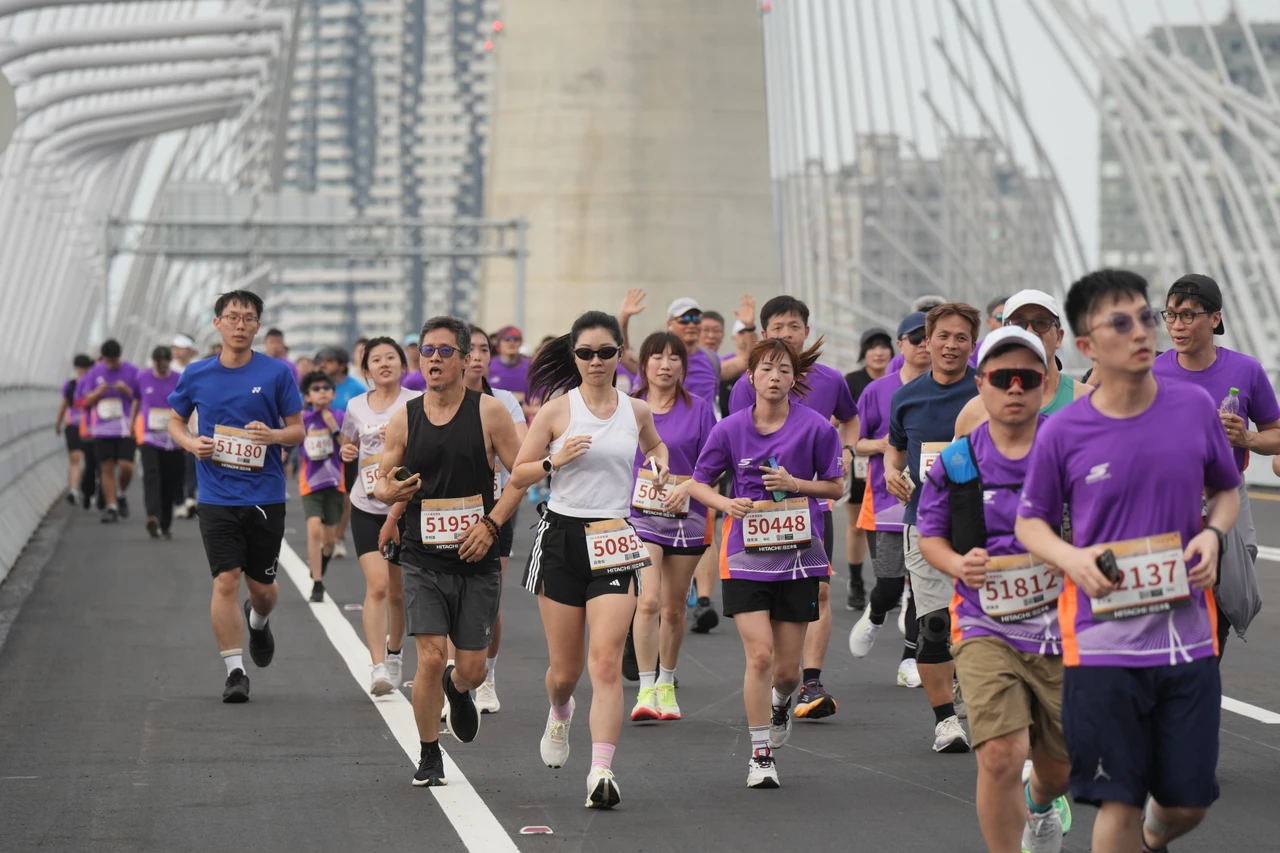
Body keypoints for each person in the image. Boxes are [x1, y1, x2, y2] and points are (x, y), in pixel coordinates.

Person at [1015, 269, 1238, 853]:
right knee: (1119, 797)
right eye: (1120, 323)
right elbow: (1030, 522)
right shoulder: (1064, 430)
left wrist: (1213, 535)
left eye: (1144, 317)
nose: (1141, 331)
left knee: (1188, 803)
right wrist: (1071, 557)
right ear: (1086, 345)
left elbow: (1227, 488)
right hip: (1102, 641)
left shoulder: (1192, 407)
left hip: (1188, 637)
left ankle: (1152, 837)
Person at [916, 327, 1072, 853]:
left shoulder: (1071, 451)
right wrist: (958, 563)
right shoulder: (957, 461)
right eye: (1002, 378)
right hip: (985, 624)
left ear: (1044, 383)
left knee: (1060, 767)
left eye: (1026, 377)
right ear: (980, 383)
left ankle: (1041, 802)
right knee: (1001, 753)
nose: (1015, 388)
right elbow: (930, 536)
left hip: (1065, 629)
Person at [510, 310, 670, 809]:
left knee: (605, 661)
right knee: (566, 672)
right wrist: (553, 460)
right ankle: (560, 711)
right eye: (585, 353)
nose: (596, 361)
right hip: (561, 537)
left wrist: (659, 464)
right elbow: (518, 474)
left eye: (605, 352)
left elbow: (656, 445)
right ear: (574, 356)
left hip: (614, 537)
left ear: (620, 353)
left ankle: (601, 771)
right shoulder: (557, 411)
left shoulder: (636, 410)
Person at [372, 316, 527, 788]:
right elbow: (382, 481)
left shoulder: (490, 413)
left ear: (464, 359)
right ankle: (428, 753)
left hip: (477, 556)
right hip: (422, 557)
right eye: (427, 351)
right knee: (432, 656)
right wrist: (389, 494)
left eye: (444, 351)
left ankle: (458, 690)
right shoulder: (405, 417)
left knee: (472, 669)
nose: (434, 359)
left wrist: (491, 525)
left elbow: (519, 477)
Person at [689, 336, 844, 788]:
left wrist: (796, 484)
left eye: (784, 370)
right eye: (766, 369)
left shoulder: (817, 427)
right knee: (759, 654)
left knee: (787, 671)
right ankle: (760, 755)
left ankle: (780, 704)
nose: (775, 377)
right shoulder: (729, 429)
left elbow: (835, 487)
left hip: (799, 556)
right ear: (751, 376)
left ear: (794, 379)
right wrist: (726, 503)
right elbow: (698, 483)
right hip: (746, 555)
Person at [167, 290, 304, 702]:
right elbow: (175, 422)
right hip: (216, 495)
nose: (240, 325)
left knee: (262, 588)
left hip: (264, 494)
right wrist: (191, 444)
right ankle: (235, 672)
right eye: (232, 317)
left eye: (248, 318)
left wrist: (273, 435)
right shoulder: (196, 374)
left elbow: (297, 430)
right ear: (217, 323)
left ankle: (258, 622)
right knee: (225, 580)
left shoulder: (276, 373)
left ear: (257, 326)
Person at [727, 295, 859, 721]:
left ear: (807, 331)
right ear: (765, 335)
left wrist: (848, 450)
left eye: (795, 326)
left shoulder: (831, 380)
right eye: (779, 328)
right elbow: (737, 441)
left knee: (820, 590)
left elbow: (850, 418)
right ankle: (773, 674)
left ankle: (811, 679)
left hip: (812, 505)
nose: (788, 334)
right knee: (765, 619)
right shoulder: (747, 384)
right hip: (759, 513)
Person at [861, 302, 981, 754]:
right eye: (943, 336)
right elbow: (894, 451)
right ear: (926, 342)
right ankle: (945, 721)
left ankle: (970, 686)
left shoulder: (986, 392)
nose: (951, 345)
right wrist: (893, 473)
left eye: (961, 338)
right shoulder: (906, 396)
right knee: (934, 623)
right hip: (925, 523)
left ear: (973, 345)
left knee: (972, 624)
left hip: (982, 527)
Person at [1152, 273, 1279, 653]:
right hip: (1169, 495)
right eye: (1171, 315)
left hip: (1227, 491)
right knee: (1170, 591)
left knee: (1231, 589)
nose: (1177, 325)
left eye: (1188, 316)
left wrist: (1247, 439)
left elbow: (1276, 435)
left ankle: (1209, 656)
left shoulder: (1246, 370)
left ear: (1215, 319)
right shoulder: (1152, 372)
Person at [627, 331, 718, 723]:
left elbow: (713, 463)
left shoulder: (699, 409)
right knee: (648, 600)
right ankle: (646, 688)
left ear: (684, 366)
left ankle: (666, 681)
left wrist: (688, 486)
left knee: (674, 608)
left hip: (687, 515)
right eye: (657, 357)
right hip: (639, 515)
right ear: (643, 363)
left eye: (674, 358)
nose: (665, 365)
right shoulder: (627, 406)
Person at [850, 313, 930, 689]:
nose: (925, 344)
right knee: (890, 585)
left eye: (931, 337)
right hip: (888, 502)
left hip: (934, 502)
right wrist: (884, 446)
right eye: (917, 338)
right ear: (901, 345)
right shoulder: (878, 391)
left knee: (923, 586)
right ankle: (876, 612)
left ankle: (909, 658)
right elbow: (856, 441)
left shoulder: (956, 388)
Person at [459, 325, 530, 713]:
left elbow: (519, 455)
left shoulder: (503, 402)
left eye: (484, 349)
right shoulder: (439, 398)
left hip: (498, 508)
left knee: (489, 598)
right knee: (452, 595)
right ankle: (454, 679)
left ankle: (487, 679)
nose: (478, 356)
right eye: (470, 349)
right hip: (450, 509)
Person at [341, 337, 416, 695]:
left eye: (391, 357)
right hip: (366, 505)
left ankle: (395, 651)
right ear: (366, 370)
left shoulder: (416, 403)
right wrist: (347, 450)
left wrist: (400, 440)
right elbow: (348, 442)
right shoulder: (355, 405)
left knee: (398, 593)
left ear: (403, 365)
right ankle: (378, 667)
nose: (384, 364)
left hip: (403, 507)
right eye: (376, 359)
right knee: (379, 586)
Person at [954, 290, 1092, 436]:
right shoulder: (974, 413)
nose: (1030, 332)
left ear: (1059, 337)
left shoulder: (1088, 403)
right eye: (1018, 324)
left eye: (1041, 323)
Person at [843, 327, 892, 611]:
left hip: (892, 466)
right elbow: (839, 420)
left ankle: (892, 584)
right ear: (864, 352)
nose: (878, 352)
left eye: (884, 346)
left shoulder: (900, 380)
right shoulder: (852, 382)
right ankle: (856, 582)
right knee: (857, 526)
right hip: (858, 463)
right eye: (872, 346)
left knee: (891, 524)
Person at [618, 289, 722, 403]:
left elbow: (737, 364)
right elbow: (623, 354)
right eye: (684, 319)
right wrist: (624, 317)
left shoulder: (711, 359)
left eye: (696, 319)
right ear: (669, 324)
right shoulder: (652, 357)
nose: (691, 325)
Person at [76, 339, 140, 524]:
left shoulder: (131, 370)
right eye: (108, 361)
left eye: (115, 360)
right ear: (103, 358)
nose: (112, 364)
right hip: (102, 429)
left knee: (126, 466)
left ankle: (121, 493)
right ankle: (111, 506)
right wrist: (98, 392)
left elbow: (140, 397)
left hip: (126, 428)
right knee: (107, 467)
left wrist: (126, 390)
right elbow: (85, 400)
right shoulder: (95, 372)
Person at [297, 371, 346, 603]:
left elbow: (348, 448)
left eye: (327, 388)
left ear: (334, 394)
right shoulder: (303, 419)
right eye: (316, 389)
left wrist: (333, 427)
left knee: (329, 541)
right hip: (311, 483)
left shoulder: (340, 416)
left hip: (335, 482)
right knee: (314, 527)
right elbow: (291, 439)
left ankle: (322, 562)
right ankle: (317, 583)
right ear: (307, 396)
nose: (322, 392)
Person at [320, 345, 366, 558]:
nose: (324, 365)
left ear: (340, 365)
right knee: (323, 494)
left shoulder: (356, 388)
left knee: (346, 495)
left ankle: (338, 538)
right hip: (322, 450)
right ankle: (326, 536)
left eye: (329, 361)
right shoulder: (320, 385)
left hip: (348, 449)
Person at [133, 346, 184, 539]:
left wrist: (187, 432)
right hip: (149, 437)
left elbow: (187, 405)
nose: (161, 366)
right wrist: (131, 424)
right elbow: (136, 401)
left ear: (170, 361)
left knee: (169, 480)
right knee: (151, 475)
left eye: (165, 363)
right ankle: (153, 516)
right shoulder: (142, 377)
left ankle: (165, 523)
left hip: (172, 438)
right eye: (158, 363)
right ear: (153, 361)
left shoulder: (178, 379)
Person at [56, 354, 95, 508]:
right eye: (79, 368)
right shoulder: (70, 385)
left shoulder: (93, 385)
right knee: (75, 456)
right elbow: (64, 403)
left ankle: (88, 488)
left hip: (90, 426)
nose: (81, 371)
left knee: (90, 460)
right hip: (73, 424)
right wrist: (58, 422)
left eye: (84, 368)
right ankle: (73, 490)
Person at [488, 325, 532, 415]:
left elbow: (537, 401)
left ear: (520, 343)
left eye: (516, 339)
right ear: (499, 343)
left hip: (523, 419)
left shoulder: (530, 367)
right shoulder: (488, 366)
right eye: (507, 339)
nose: (511, 343)